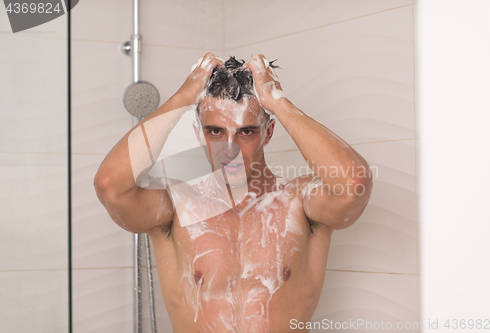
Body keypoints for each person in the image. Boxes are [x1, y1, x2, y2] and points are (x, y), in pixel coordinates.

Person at [94, 52, 373, 332]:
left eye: (247, 132)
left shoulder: (300, 202)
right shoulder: (176, 206)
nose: (230, 150)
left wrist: (277, 102)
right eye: (215, 132)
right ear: (198, 134)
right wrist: (182, 98)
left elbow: (354, 184)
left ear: (269, 131)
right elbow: (110, 185)